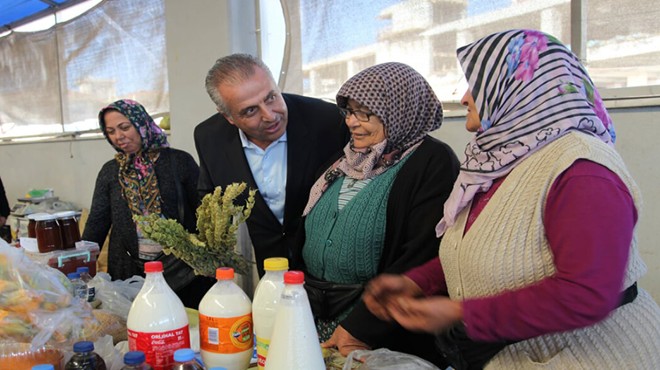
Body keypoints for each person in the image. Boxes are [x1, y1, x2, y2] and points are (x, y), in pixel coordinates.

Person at [364, 29, 660, 369]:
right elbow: (486, 248)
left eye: (476, 84)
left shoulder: (581, 169)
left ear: (521, 88)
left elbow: (586, 293)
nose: (463, 98)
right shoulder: (501, 163)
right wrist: (417, 282)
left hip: (596, 358)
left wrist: (459, 311)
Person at [301, 62, 460, 366]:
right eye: (349, 111)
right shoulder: (349, 157)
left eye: (365, 113)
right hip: (322, 319)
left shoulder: (433, 161)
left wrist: (362, 325)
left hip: (377, 330)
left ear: (399, 110)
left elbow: (423, 253)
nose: (352, 122)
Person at [194, 53, 349, 278]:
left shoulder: (327, 121)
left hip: (330, 271)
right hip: (270, 270)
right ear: (228, 117)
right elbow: (210, 199)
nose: (270, 115)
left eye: (271, 98)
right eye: (250, 111)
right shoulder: (209, 137)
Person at [83, 99, 214, 308]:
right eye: (111, 131)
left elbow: (205, 213)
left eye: (124, 127)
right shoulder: (110, 171)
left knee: (186, 325)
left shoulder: (179, 162)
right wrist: (81, 263)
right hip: (130, 273)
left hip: (182, 271)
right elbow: (97, 221)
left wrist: (212, 258)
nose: (118, 136)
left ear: (141, 123)